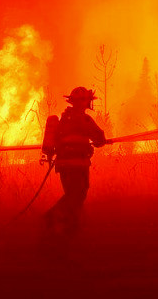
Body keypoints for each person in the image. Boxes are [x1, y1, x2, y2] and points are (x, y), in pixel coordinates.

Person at [42, 87, 108, 236]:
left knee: (72, 194)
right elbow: (99, 139)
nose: (85, 103)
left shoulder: (64, 118)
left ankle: (68, 226)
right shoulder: (84, 119)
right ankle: (53, 218)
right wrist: (101, 141)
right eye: (85, 100)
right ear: (86, 102)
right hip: (78, 165)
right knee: (78, 195)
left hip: (64, 165)